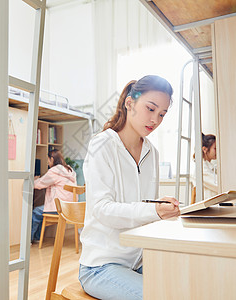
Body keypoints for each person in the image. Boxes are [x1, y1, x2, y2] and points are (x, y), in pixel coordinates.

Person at [78, 75, 181, 300]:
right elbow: (102, 210)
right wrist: (154, 210)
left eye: (162, 114)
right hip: (101, 265)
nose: (155, 120)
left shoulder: (152, 152)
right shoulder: (102, 145)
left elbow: (144, 209)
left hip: (141, 260)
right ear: (130, 103)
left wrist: (159, 208)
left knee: (189, 285)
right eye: (150, 109)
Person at [31, 149, 77, 243]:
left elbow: (39, 185)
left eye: (48, 160)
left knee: (36, 212)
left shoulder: (55, 171)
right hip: (70, 208)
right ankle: (37, 237)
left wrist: (33, 180)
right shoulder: (70, 170)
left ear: (52, 159)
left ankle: (29, 239)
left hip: (59, 209)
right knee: (41, 211)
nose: (48, 163)